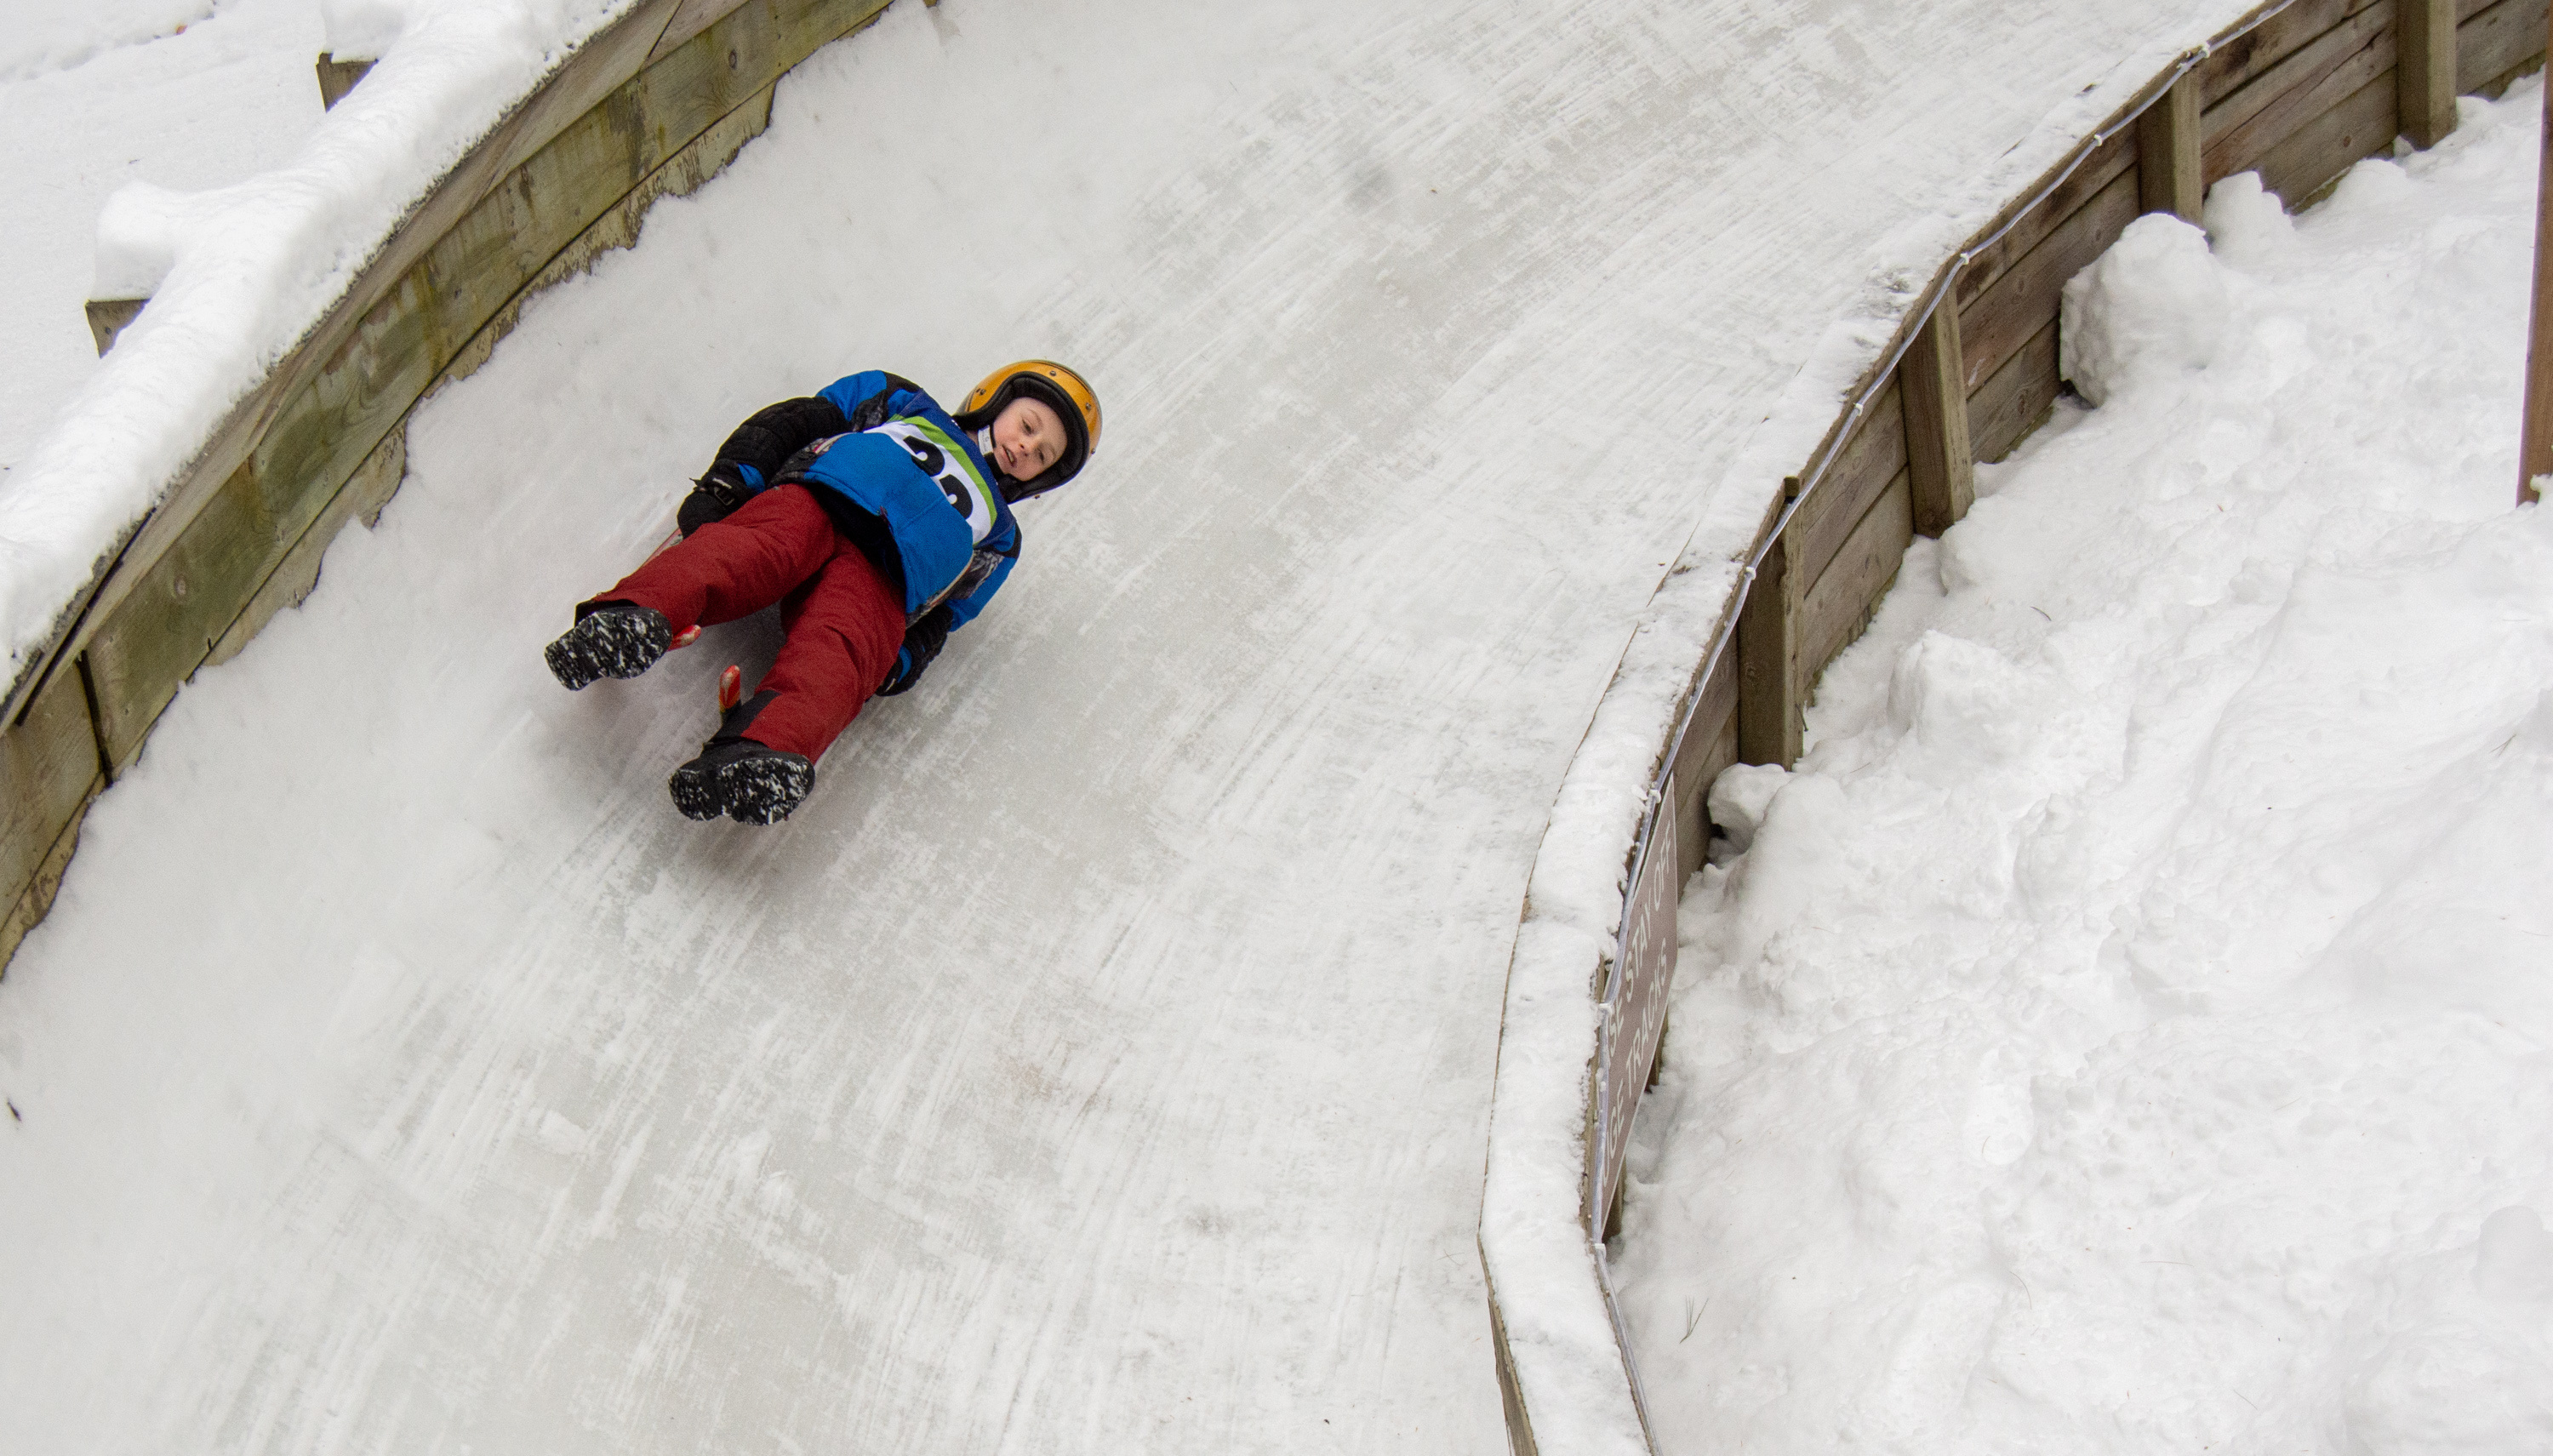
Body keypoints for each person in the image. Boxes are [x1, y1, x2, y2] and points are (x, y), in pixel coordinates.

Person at [543, 361, 1101, 825]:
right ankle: (630, 619)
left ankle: (761, 756)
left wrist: (904, 659)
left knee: (842, 663)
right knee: (739, 552)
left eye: (1044, 454)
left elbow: (948, 616)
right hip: (822, 500)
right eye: (1028, 426)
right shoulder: (903, 400)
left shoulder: (1001, 536)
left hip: (887, 584)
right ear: (996, 399)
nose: (1027, 448)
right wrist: (734, 476)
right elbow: (798, 420)